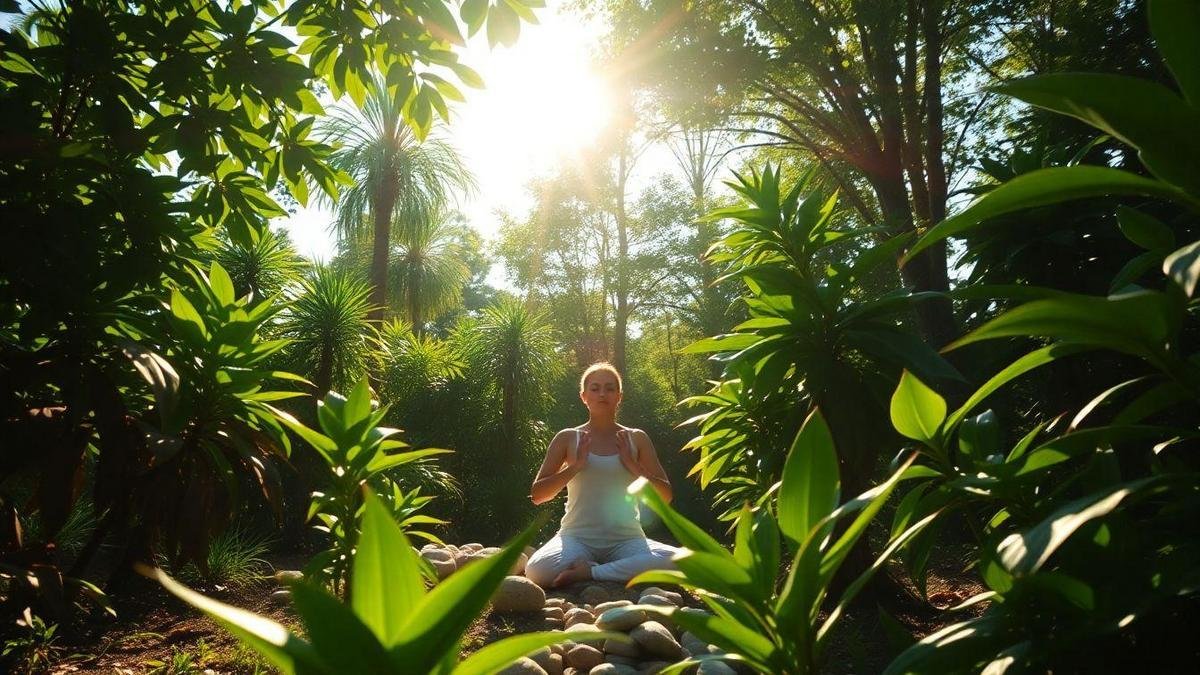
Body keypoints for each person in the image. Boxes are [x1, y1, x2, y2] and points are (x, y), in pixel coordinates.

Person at [524, 362, 681, 588]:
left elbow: (665, 497)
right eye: (595, 388)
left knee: (684, 562)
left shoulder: (636, 438)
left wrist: (633, 466)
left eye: (610, 388)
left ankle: (592, 571)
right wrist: (575, 466)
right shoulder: (567, 438)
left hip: (627, 540)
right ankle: (616, 569)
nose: (602, 394)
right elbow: (538, 495)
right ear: (583, 396)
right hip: (576, 538)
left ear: (619, 396)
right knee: (538, 570)